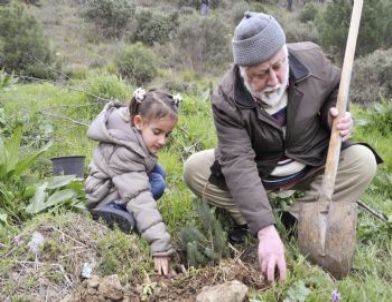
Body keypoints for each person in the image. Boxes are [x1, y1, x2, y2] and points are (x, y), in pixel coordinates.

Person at [183, 12, 382, 282]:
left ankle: (295, 217)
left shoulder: (311, 58)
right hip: (261, 170)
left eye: (278, 66)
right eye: (262, 74)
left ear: (285, 53)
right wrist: (264, 230)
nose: (275, 80)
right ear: (243, 73)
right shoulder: (226, 98)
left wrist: (334, 112)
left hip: (310, 161)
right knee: (195, 169)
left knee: (363, 161)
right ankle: (253, 220)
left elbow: (336, 86)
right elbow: (238, 162)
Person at [85, 88, 181, 276]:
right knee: (157, 184)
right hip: (101, 195)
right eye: (157, 132)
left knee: (158, 171)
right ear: (138, 122)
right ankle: (112, 210)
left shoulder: (131, 126)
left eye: (167, 134)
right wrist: (159, 245)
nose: (162, 140)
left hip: (113, 180)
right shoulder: (125, 151)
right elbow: (139, 196)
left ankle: (120, 207)